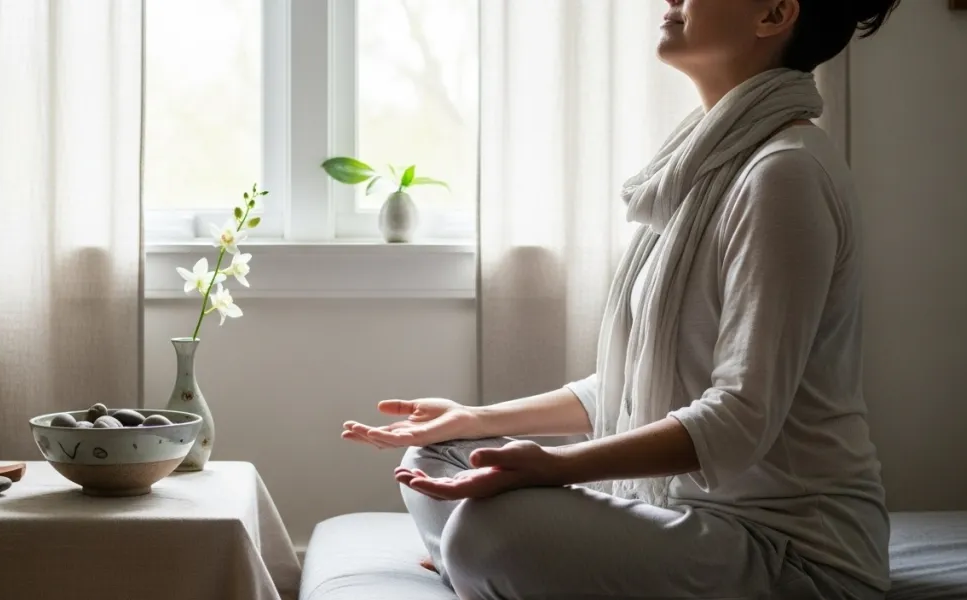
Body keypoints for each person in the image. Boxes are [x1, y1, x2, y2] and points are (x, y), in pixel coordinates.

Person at [342, 0, 902, 598]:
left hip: (787, 549)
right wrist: (476, 419)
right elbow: (629, 385)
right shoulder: (703, 167)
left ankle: (479, 564)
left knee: (487, 532)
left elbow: (740, 418)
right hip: (690, 519)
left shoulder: (784, 174)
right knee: (436, 457)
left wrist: (560, 467)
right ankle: (483, 566)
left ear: (773, 14)